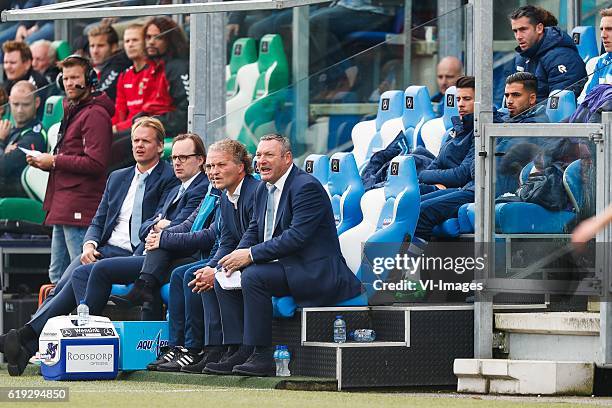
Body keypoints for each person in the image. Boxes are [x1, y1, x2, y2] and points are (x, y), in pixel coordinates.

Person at [0, 117, 178, 377]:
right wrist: (89, 244)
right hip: (106, 248)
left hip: (139, 254)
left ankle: (26, 339)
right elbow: (98, 220)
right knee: (65, 281)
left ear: (160, 146)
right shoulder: (118, 177)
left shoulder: (169, 178)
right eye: (135, 141)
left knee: (73, 279)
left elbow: (159, 220)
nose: (139, 146)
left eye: (146, 141)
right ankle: (29, 343)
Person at [214, 134, 362, 376]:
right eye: (259, 155)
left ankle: (262, 356)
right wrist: (233, 258)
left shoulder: (306, 187)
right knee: (225, 277)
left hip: (313, 271)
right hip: (285, 266)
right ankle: (238, 349)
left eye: (269, 155)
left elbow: (296, 238)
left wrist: (249, 255)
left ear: (287, 158)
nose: (261, 160)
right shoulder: (263, 188)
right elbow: (254, 230)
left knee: (253, 276)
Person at [71, 132, 209, 320]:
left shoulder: (202, 187)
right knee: (80, 273)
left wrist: (160, 229)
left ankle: (91, 329)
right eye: (174, 157)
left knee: (102, 269)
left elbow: (183, 228)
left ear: (200, 160)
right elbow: (144, 227)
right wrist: (159, 225)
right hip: (152, 253)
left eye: (183, 157)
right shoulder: (177, 188)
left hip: (177, 257)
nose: (177, 162)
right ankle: (92, 327)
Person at [414, 73, 547, 241]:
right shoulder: (506, 122)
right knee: (414, 207)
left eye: (516, 95)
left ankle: (417, 265)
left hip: (491, 192)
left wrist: (477, 165)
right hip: (475, 187)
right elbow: (476, 164)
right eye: (507, 95)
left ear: (532, 98)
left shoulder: (533, 126)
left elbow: (480, 166)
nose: (509, 101)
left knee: (423, 212)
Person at [26, 55, 114, 284]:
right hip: (64, 203)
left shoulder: (95, 114)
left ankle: (86, 317)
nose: (69, 83)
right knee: (57, 276)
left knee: (81, 272)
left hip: (80, 205)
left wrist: (54, 161)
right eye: (65, 78)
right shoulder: (76, 109)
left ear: (90, 80)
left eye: (75, 77)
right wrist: (46, 163)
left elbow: (96, 163)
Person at [184, 139, 260, 375]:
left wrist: (217, 270)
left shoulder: (255, 191)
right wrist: (211, 267)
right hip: (239, 257)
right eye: (209, 166)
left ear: (240, 166)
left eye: (220, 165)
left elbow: (253, 234)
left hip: (258, 258)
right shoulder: (225, 196)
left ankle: (238, 348)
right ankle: (215, 348)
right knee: (202, 276)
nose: (213, 172)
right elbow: (226, 240)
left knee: (218, 277)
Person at [510, 5, 587, 101]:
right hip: (526, 115)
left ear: (539, 28)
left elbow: (558, 106)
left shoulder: (561, 57)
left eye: (523, 29)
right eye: (515, 31)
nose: (518, 36)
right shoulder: (522, 57)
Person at [138, 16, 189, 139]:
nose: (151, 42)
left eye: (158, 37)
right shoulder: (152, 66)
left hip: (169, 132)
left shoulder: (178, 67)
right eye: (148, 37)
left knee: (113, 147)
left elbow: (184, 114)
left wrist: (153, 121)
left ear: (170, 40)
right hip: (152, 126)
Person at [0, 80, 45, 197]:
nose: (19, 110)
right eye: (15, 104)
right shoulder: (9, 130)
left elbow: (3, 167)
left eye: (25, 104)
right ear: (9, 101)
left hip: (16, 196)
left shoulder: (35, 136)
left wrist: (0, 142)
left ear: (37, 102)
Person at [2, 40, 48, 115]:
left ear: (27, 64)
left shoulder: (37, 85)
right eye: (6, 62)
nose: (7, 67)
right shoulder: (8, 83)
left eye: (12, 63)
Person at [88, 23, 132, 102]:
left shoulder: (120, 64)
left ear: (114, 47)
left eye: (100, 46)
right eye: (92, 46)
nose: (95, 51)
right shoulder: (96, 67)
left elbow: (100, 94)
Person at [581, 8, 612, 97]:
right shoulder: (601, 61)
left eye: (609, 29)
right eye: (602, 29)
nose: (603, 35)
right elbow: (588, 99)